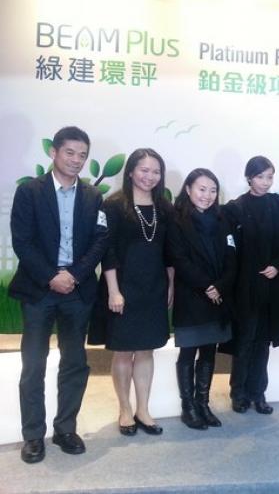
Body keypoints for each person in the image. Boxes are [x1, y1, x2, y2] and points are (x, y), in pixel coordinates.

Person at [10, 126, 108, 463]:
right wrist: (52, 276)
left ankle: (65, 428)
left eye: (83, 155)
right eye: (70, 152)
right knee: (33, 365)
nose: (76, 160)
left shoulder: (93, 196)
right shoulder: (30, 192)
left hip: (77, 291)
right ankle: (33, 435)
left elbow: (100, 240)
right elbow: (22, 241)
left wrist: (73, 275)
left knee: (75, 362)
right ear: (54, 152)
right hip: (39, 290)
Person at [89, 148, 174, 436]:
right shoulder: (113, 206)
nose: (150, 176)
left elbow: (170, 252)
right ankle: (125, 409)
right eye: (144, 170)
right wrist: (113, 291)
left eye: (156, 171)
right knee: (124, 352)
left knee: (146, 351)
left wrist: (171, 286)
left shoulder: (164, 207)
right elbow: (107, 251)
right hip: (122, 288)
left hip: (154, 288)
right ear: (130, 172)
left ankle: (143, 410)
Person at [224, 156, 279, 415]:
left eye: (269, 177)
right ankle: (238, 392)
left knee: (263, 342)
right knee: (245, 340)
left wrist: (278, 265)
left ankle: (258, 393)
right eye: (260, 177)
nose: (266, 182)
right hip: (245, 286)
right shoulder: (235, 208)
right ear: (249, 178)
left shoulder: (277, 204)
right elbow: (229, 248)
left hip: (271, 284)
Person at [169, 169, 236, 429]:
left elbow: (232, 256)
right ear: (188, 189)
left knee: (209, 351)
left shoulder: (222, 219)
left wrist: (220, 286)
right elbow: (179, 259)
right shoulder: (177, 220)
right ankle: (188, 407)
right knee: (188, 352)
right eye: (201, 189)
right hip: (192, 296)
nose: (207, 195)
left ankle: (203, 404)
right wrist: (207, 286)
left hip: (218, 297)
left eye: (212, 190)